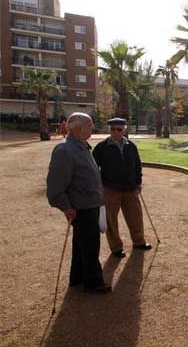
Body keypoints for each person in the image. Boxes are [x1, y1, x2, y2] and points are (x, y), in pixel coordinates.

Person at [47, 112, 111, 293]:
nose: (93, 128)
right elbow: (55, 186)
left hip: (89, 205)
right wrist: (66, 206)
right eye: (90, 125)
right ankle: (93, 282)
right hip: (81, 207)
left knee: (81, 244)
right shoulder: (65, 150)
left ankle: (77, 277)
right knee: (90, 246)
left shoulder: (81, 146)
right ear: (78, 128)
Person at [92, 118, 151, 259]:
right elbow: (93, 169)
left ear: (124, 129)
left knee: (136, 217)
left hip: (131, 189)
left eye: (119, 129)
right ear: (109, 130)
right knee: (111, 220)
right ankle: (116, 247)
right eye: (112, 129)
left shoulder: (131, 146)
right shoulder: (101, 147)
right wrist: (100, 186)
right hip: (111, 190)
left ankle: (138, 241)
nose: (115, 132)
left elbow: (137, 165)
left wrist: (138, 183)